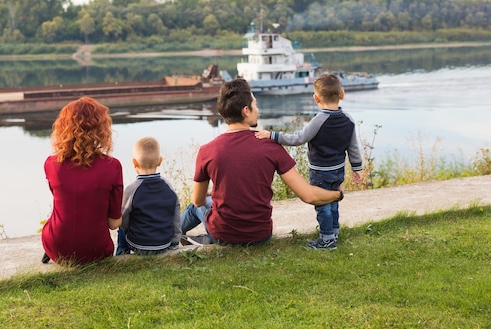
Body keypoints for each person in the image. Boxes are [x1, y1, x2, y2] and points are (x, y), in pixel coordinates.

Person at [180, 78, 344, 246]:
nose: (257, 110)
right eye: (255, 105)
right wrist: (338, 194)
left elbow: (198, 201)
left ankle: (171, 236)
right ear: (246, 111)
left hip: (222, 233)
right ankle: (202, 239)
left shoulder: (207, 150)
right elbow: (308, 196)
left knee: (197, 205)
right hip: (260, 235)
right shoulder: (271, 146)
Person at [256, 73, 363, 249]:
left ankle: (327, 239)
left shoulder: (319, 120)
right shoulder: (349, 120)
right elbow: (353, 147)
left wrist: (272, 135)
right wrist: (357, 168)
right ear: (342, 94)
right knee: (333, 201)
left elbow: (298, 139)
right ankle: (334, 232)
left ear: (316, 98)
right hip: (339, 170)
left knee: (322, 204)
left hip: (321, 171)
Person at [41, 96, 123, 264]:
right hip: (97, 250)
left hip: (58, 247)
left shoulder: (51, 164)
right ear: (101, 128)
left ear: (63, 128)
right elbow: (114, 223)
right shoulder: (113, 166)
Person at [115, 136, 181, 255]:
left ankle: (122, 253)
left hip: (139, 245)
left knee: (121, 228)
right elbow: (176, 217)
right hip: (164, 244)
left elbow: (123, 222)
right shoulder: (168, 187)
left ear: (134, 162)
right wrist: (175, 242)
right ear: (160, 161)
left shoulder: (131, 190)